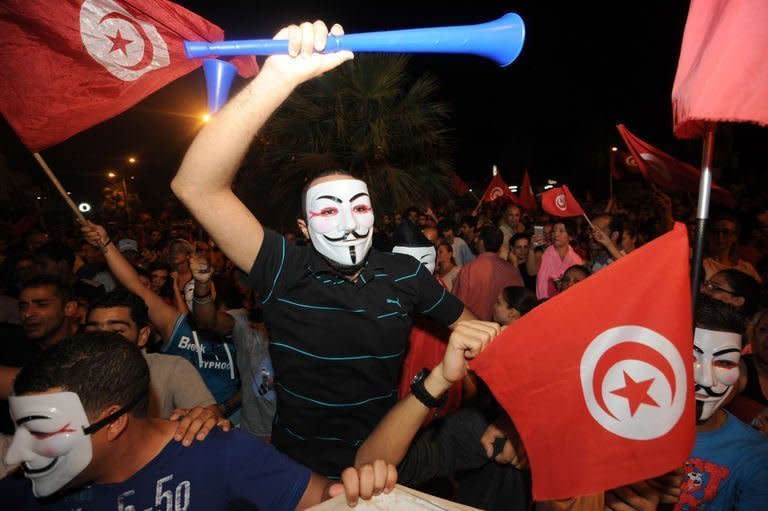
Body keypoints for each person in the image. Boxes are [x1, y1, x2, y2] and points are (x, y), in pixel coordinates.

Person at [170, 20, 474, 477]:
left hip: (387, 461)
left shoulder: (405, 274)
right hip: (300, 472)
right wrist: (276, 80)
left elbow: (473, 333)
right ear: (304, 229)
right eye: (328, 212)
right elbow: (196, 186)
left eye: (360, 207)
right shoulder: (280, 268)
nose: (349, 224)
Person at [0, 332, 397, 509]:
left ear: (114, 422)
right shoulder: (23, 492)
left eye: (40, 432)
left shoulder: (220, 454)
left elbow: (327, 502)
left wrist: (359, 496)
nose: (20, 451)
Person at [81, 223, 241, 418]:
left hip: (237, 418)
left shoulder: (240, 326)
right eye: (188, 291)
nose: (192, 296)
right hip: (184, 421)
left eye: (198, 289)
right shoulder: (177, 325)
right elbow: (135, 285)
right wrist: (105, 243)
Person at [84, 290, 226, 440]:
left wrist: (200, 418)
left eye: (118, 332)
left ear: (142, 335)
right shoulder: (72, 373)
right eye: (93, 331)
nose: (103, 340)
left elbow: (210, 419)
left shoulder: (171, 368)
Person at [676, 295, 768, 510]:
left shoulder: (755, 455)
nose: (706, 380)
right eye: (691, 358)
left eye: (724, 362)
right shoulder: (627, 428)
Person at [453, 225, 524, 320]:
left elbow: (456, 305)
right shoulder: (511, 270)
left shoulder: (469, 269)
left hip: (473, 328)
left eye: (477, 238)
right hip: (502, 329)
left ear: (481, 243)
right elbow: (520, 303)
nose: (475, 241)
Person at [530, 220, 584, 299]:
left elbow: (580, 288)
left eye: (561, 231)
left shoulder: (576, 260)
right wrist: (531, 249)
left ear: (570, 237)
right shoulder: (542, 254)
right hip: (544, 301)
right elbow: (531, 272)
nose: (556, 234)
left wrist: (563, 284)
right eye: (554, 231)